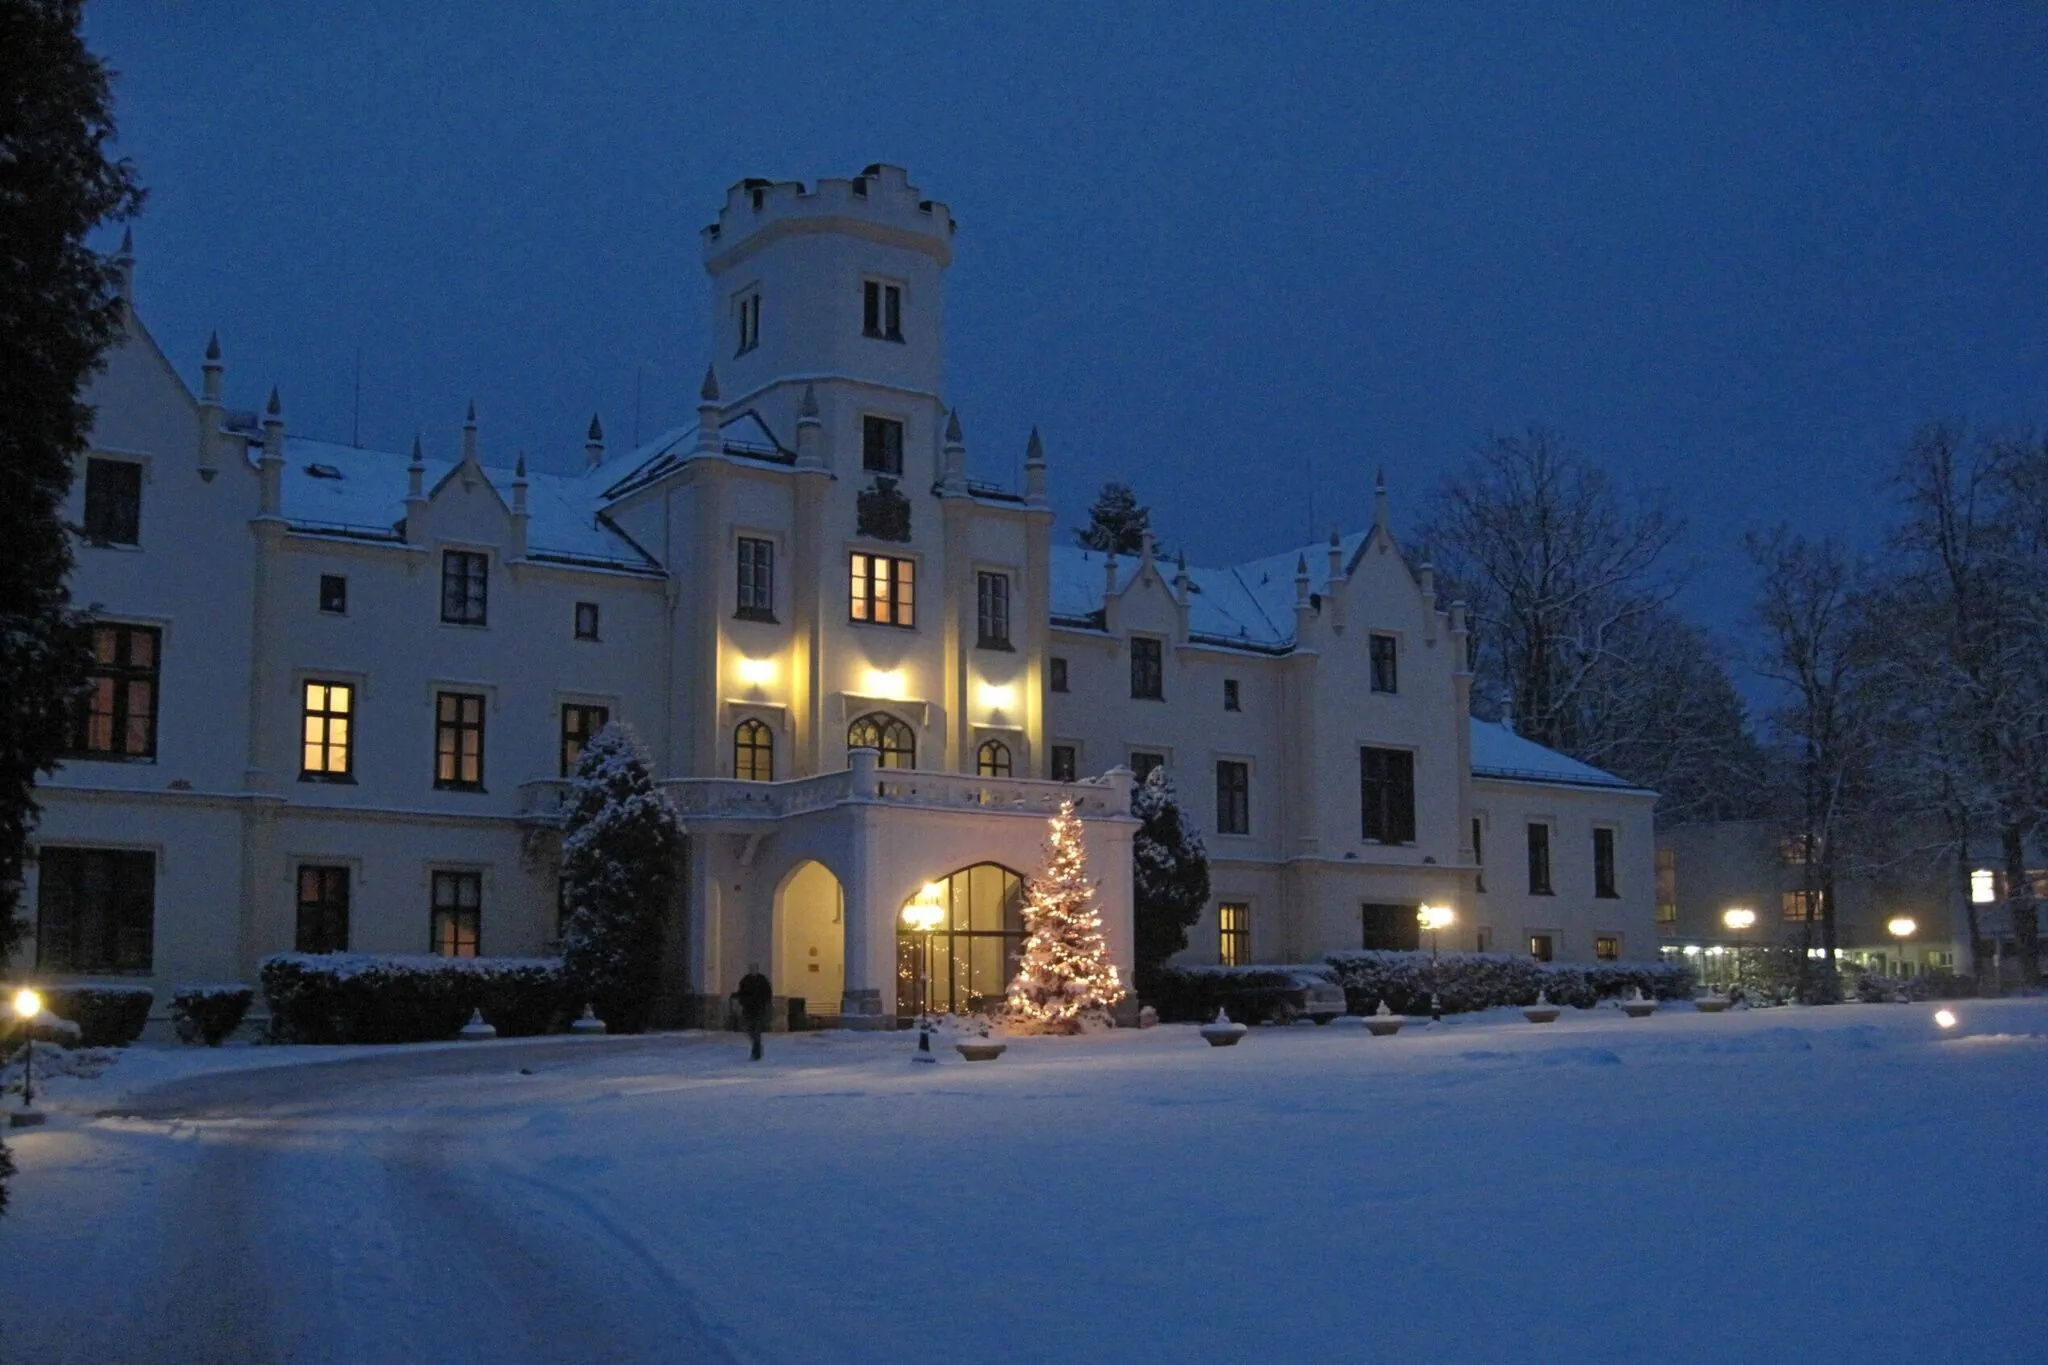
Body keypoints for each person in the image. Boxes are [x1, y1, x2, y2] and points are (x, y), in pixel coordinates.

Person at [734, 964, 772, 1060]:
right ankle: (757, 1047)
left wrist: (766, 1004)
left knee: (757, 1030)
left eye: (754, 969)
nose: (753, 971)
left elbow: (768, 993)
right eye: (751, 969)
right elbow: (741, 992)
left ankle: (756, 1052)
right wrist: (741, 1002)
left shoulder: (762, 980)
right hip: (748, 1009)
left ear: (757, 970)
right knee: (749, 1030)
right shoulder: (745, 980)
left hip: (759, 1009)